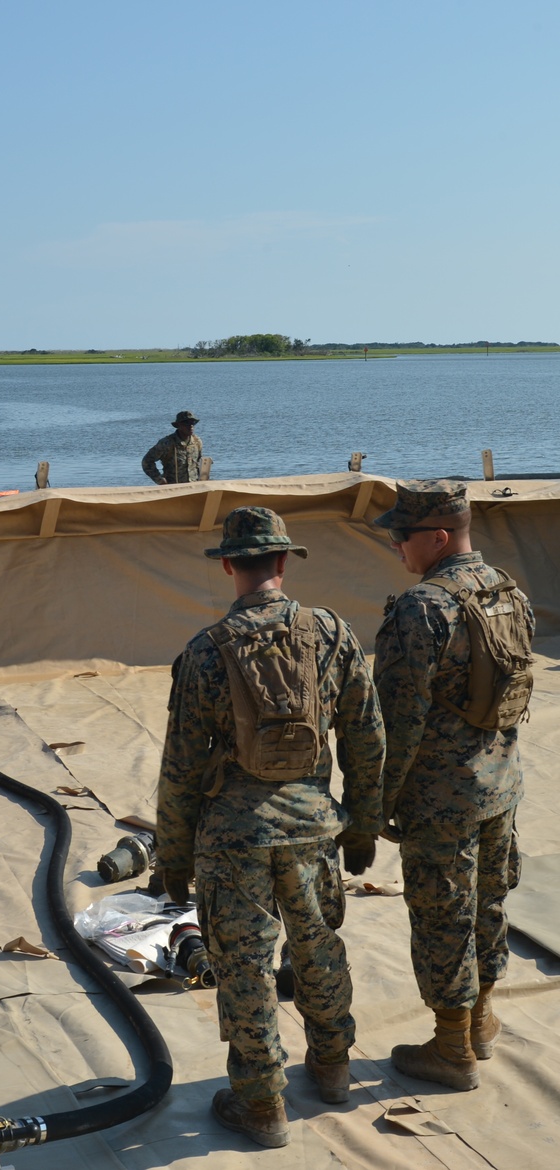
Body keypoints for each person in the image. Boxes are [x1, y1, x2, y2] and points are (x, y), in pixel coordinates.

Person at [157, 506, 385, 1148]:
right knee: (318, 945)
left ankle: (262, 1104)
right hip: (314, 829)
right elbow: (368, 738)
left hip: (234, 840)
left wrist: (172, 856)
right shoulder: (333, 635)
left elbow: (180, 766)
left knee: (246, 968)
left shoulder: (205, 653)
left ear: (229, 565)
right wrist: (362, 823)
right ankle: (334, 1067)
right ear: (284, 563)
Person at [372, 480, 534, 1091]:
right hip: (501, 784)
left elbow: (397, 721)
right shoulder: (507, 590)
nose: (395, 546)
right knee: (489, 904)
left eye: (401, 535)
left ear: (438, 538)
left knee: (443, 913)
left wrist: (378, 807)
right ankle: (482, 1020)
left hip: (441, 798)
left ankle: (450, 1047)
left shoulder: (423, 608)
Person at [142, 410, 204, 484]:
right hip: (173, 489)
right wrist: (159, 479)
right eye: (187, 423)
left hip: (193, 488)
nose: (191, 426)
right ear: (179, 425)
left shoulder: (197, 442)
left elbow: (199, 463)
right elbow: (147, 461)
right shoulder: (167, 443)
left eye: (193, 423)